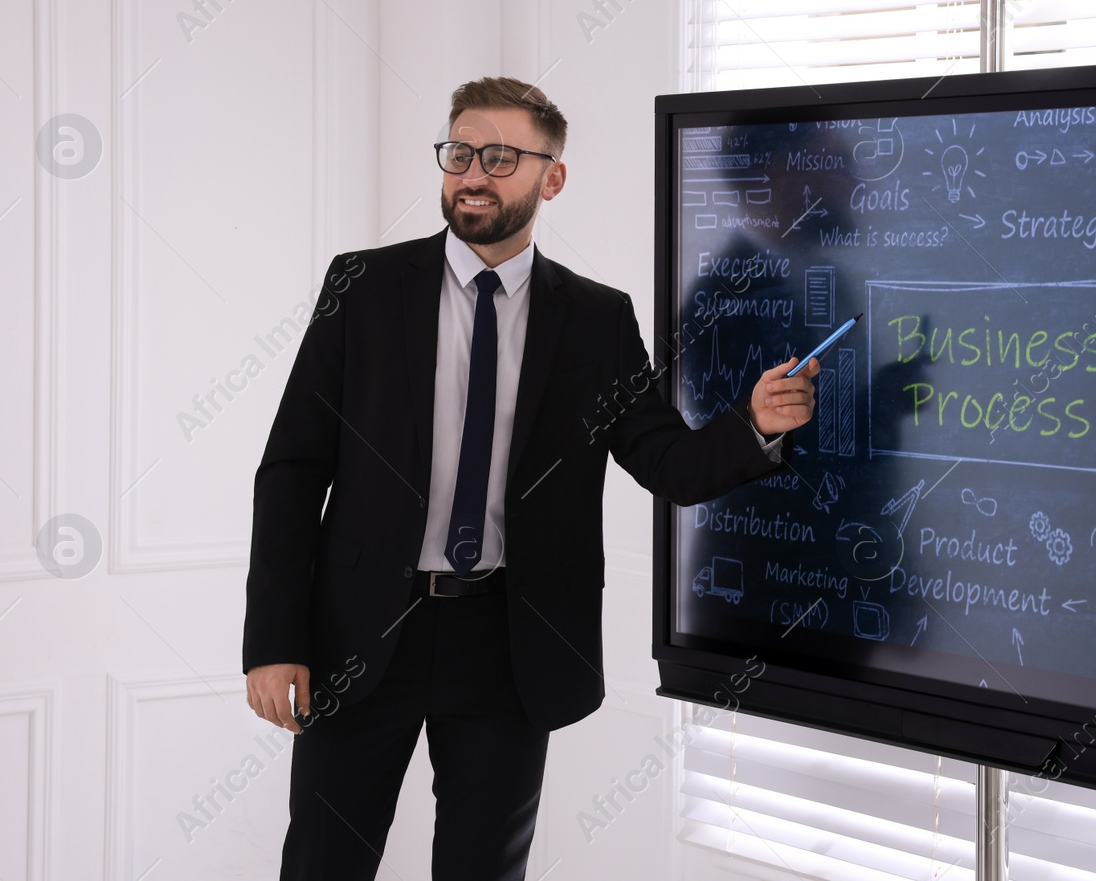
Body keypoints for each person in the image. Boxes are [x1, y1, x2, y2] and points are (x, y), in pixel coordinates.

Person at [242, 77, 820, 880]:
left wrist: (754, 424)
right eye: (460, 152)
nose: (472, 173)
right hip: (362, 633)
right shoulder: (364, 288)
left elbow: (666, 461)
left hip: (508, 646)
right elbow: (292, 470)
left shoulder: (595, 319)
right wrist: (273, 641)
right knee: (322, 864)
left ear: (552, 176)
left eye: (501, 157)